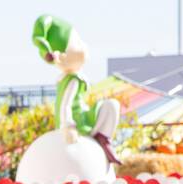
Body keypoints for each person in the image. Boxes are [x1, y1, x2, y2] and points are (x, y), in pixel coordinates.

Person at [33, 14, 121, 166]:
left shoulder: (64, 79)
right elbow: (65, 104)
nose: (84, 46)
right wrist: (68, 126)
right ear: (64, 55)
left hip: (71, 123)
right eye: (78, 43)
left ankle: (101, 138)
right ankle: (103, 136)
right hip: (79, 121)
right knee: (112, 105)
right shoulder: (73, 79)